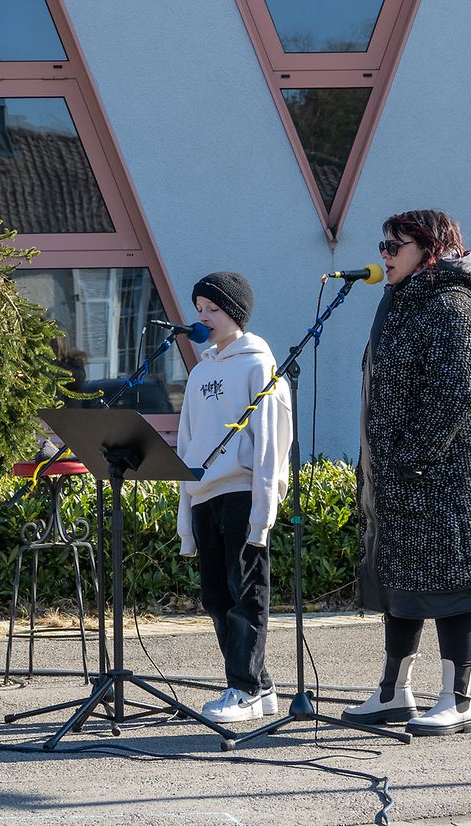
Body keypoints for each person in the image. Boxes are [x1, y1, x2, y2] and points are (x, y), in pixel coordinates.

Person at [343, 210, 471, 736]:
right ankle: (393, 692)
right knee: (402, 585)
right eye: (383, 244)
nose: (384, 254)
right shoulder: (401, 304)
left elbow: (456, 395)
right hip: (404, 478)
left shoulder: (449, 307)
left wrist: (408, 460)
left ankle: (457, 699)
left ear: (431, 250)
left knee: (452, 588)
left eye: (395, 246)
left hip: (446, 480)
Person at [175, 272, 293, 724]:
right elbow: (187, 442)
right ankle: (258, 685)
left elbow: (270, 443)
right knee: (216, 596)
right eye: (199, 308)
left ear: (236, 313)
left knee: (246, 592)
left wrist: (264, 510)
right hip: (205, 495)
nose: (203, 316)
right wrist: (186, 515)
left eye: (213, 308)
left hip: (242, 492)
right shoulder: (200, 371)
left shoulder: (259, 366)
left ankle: (243, 689)